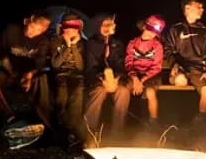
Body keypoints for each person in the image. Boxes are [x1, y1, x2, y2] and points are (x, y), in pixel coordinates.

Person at [0, 10, 52, 126]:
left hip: (29, 73)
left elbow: (40, 63)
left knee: (41, 81)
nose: (33, 32)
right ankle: (3, 118)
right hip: (9, 69)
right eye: (33, 27)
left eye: (39, 30)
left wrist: (29, 75)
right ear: (28, 21)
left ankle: (44, 122)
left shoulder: (43, 41)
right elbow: (1, 53)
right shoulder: (12, 30)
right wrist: (11, 72)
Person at [164, 0, 206, 124]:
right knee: (181, 81)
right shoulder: (176, 29)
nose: (202, 9)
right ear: (187, 8)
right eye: (199, 6)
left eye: (202, 7)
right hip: (180, 68)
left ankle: (200, 121)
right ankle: (179, 121)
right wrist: (174, 65)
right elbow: (168, 50)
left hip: (197, 69)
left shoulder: (204, 31)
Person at [83, 14, 130, 145]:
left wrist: (117, 77)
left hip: (114, 80)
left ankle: (117, 132)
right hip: (97, 80)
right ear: (99, 27)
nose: (112, 26)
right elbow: (90, 67)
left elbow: (120, 65)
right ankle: (90, 132)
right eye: (107, 24)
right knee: (98, 92)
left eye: (112, 24)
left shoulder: (117, 44)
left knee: (123, 92)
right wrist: (101, 78)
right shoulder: (91, 44)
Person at [50, 14, 86, 145]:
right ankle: (61, 129)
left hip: (77, 75)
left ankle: (72, 131)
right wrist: (67, 45)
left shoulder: (82, 44)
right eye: (67, 26)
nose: (70, 30)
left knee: (77, 93)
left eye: (74, 27)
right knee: (61, 94)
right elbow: (56, 64)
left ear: (78, 29)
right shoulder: (56, 42)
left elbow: (80, 66)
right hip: (60, 75)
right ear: (62, 28)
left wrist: (74, 47)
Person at [125, 15, 165, 129]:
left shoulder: (157, 46)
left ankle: (153, 122)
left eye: (154, 32)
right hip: (134, 74)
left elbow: (157, 67)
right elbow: (128, 63)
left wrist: (142, 80)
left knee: (150, 92)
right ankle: (127, 121)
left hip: (151, 76)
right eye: (149, 29)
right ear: (143, 27)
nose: (150, 34)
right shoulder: (133, 43)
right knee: (125, 89)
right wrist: (135, 78)